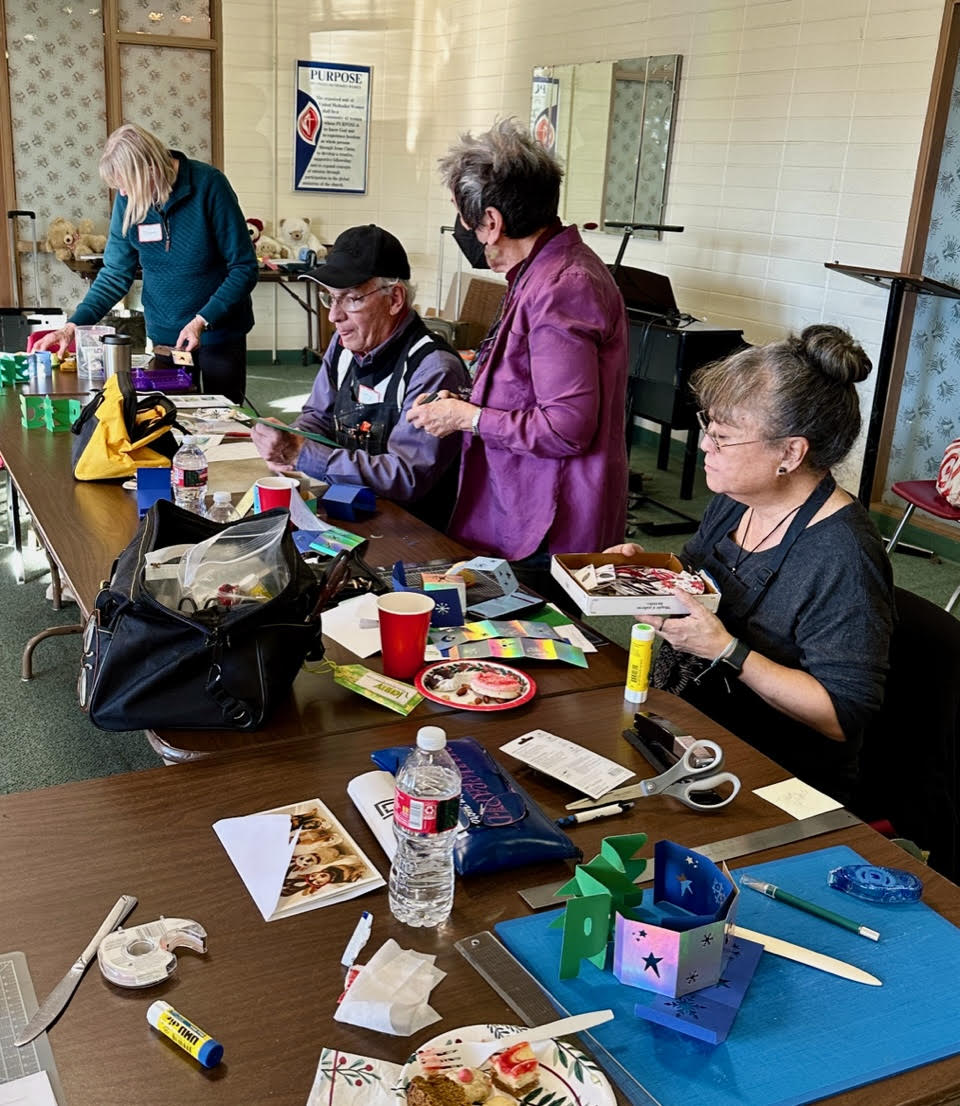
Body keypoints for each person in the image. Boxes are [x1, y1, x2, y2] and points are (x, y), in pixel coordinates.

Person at [611, 325, 895, 804]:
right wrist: (649, 576)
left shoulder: (843, 558)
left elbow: (841, 714)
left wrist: (727, 650)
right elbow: (698, 579)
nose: (705, 446)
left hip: (772, 771)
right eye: (708, 429)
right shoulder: (739, 498)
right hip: (686, 728)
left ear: (790, 452)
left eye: (723, 437)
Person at [407, 118, 628, 583]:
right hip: (520, 496)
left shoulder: (564, 285)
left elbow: (565, 428)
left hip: (549, 517)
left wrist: (467, 418)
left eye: (463, 217)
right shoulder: (540, 269)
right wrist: (465, 399)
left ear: (491, 222)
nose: (463, 229)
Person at [251, 224, 470, 530]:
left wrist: (303, 453)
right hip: (349, 507)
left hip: (412, 529)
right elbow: (318, 417)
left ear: (395, 299)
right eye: (330, 298)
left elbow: (407, 476)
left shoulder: (433, 369)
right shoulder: (343, 346)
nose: (334, 316)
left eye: (351, 299)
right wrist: (290, 439)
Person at [37, 123, 258, 403]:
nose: (123, 194)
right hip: (166, 336)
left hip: (218, 331)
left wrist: (202, 319)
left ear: (151, 170)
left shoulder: (209, 185)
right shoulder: (128, 200)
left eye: (127, 185)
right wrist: (72, 326)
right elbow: (115, 274)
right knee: (166, 416)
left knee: (223, 417)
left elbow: (244, 267)